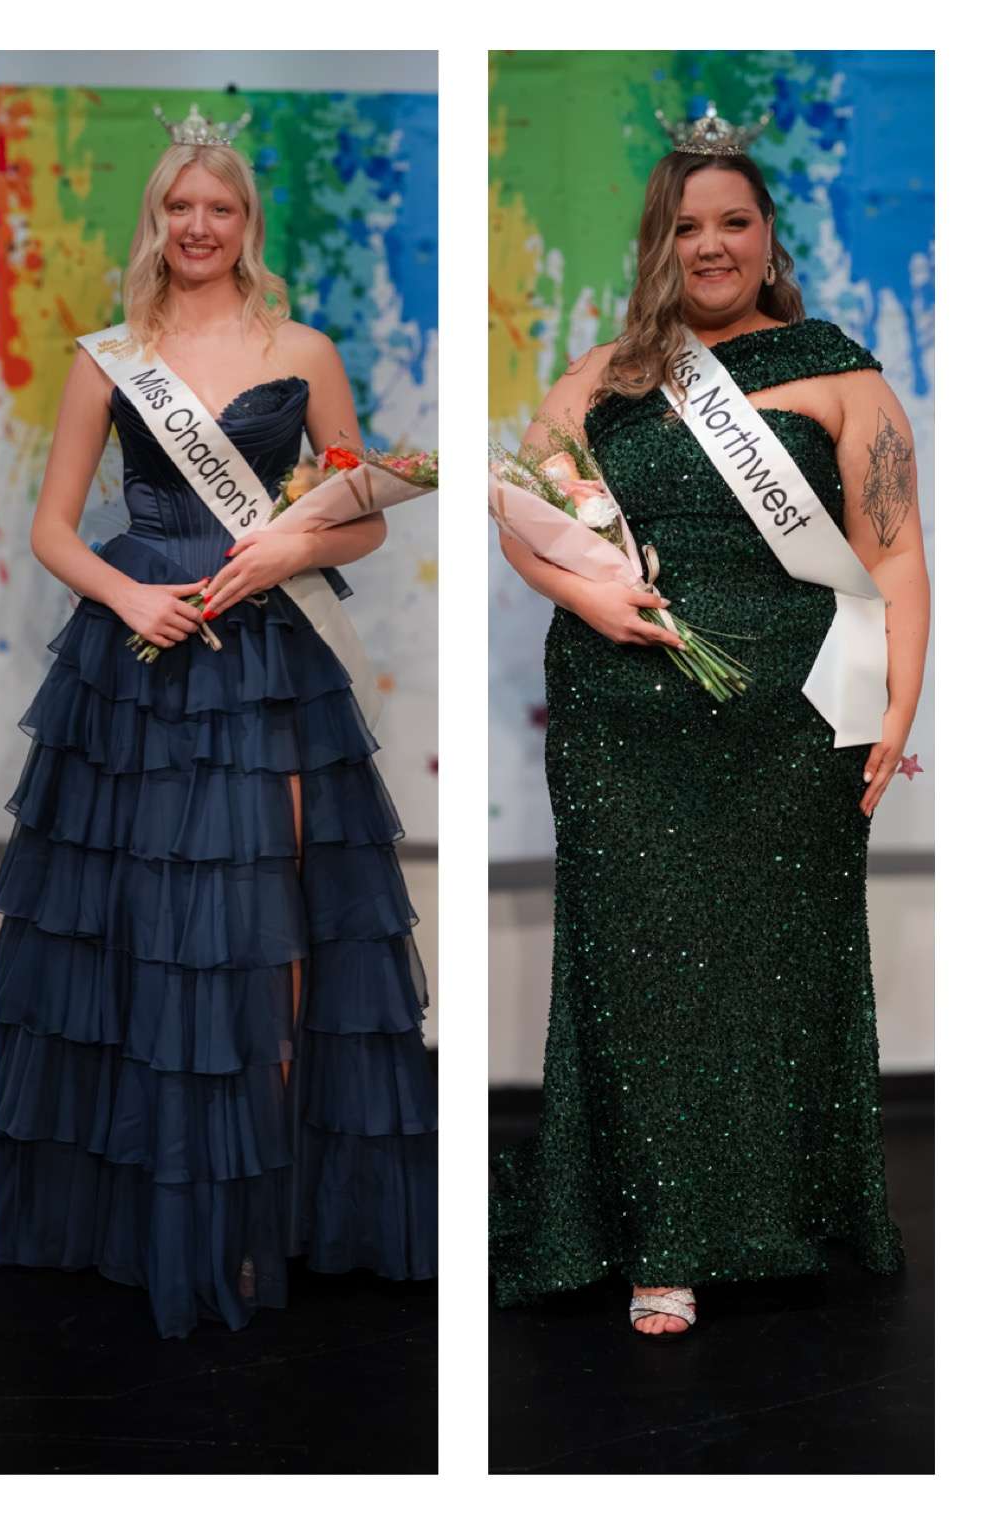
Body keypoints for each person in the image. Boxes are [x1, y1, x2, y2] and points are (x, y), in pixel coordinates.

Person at [0, 107, 437, 1338]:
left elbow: (363, 515)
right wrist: (134, 590)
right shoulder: (107, 355)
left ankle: (263, 1215)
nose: (197, 225)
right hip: (139, 652)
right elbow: (50, 528)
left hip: (270, 653)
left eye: (220, 208)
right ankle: (159, 1213)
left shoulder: (306, 345)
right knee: (147, 934)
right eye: (179, 206)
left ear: (248, 225)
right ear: (157, 219)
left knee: (270, 930)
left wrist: (282, 543)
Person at [490, 115, 927, 1335]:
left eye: (733, 220)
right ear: (657, 244)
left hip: (790, 720)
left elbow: (894, 557)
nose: (712, 244)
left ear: (769, 235)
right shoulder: (603, 376)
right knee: (639, 973)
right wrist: (594, 594)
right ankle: (659, 1240)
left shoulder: (840, 371)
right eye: (686, 227)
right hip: (622, 716)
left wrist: (896, 710)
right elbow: (525, 530)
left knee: (773, 971)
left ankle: (780, 1211)